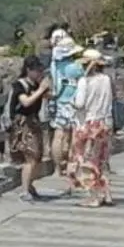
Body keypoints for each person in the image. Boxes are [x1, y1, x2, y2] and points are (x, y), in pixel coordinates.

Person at [66, 49, 117, 206]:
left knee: (87, 161)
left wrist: (72, 102)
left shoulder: (84, 82)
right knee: (102, 160)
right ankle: (106, 193)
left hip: (88, 123)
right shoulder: (106, 79)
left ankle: (94, 196)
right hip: (104, 121)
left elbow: (80, 104)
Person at [7, 56, 53, 201]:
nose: (39, 73)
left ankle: (30, 185)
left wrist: (47, 89)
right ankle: (25, 189)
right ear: (28, 70)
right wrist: (41, 89)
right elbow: (25, 102)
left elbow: (48, 97)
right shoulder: (19, 85)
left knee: (38, 156)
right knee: (30, 156)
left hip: (34, 121)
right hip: (22, 124)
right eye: (37, 70)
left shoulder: (36, 84)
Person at [47, 37, 83, 171]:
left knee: (59, 134)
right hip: (72, 102)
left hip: (59, 101)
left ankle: (57, 167)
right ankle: (71, 164)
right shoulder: (75, 67)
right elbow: (84, 76)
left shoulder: (54, 66)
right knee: (74, 133)